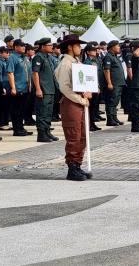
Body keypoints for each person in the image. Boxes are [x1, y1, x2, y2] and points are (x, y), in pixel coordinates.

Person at [53, 34, 92, 181]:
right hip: (71, 103)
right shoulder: (65, 64)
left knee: (82, 135)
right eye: (78, 45)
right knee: (74, 135)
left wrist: (88, 91)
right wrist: (81, 100)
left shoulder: (76, 62)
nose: (80, 48)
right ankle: (72, 168)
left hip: (80, 101)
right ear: (70, 47)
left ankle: (78, 165)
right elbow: (65, 88)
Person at [32, 38, 59, 142]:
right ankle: (41, 134)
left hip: (50, 89)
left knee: (48, 112)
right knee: (42, 112)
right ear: (43, 47)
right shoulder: (38, 57)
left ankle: (47, 132)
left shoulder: (48, 57)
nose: (51, 47)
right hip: (43, 89)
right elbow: (35, 73)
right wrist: (38, 89)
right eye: (49, 45)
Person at [6, 39, 33, 137]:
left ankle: (21, 127)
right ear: (16, 47)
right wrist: (13, 87)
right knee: (16, 109)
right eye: (21, 46)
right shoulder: (12, 58)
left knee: (22, 109)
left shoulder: (25, 58)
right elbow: (10, 73)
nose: (23, 48)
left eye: (24, 46)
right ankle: (16, 129)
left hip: (26, 88)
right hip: (18, 88)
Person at [103, 40, 126, 126]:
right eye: (117, 46)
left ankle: (114, 117)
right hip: (113, 83)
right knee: (111, 101)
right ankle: (110, 119)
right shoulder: (108, 57)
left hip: (118, 83)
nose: (119, 48)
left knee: (115, 101)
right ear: (112, 47)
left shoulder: (115, 57)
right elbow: (107, 70)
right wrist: (109, 83)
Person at [83, 44, 102, 131]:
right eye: (93, 50)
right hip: (90, 87)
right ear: (88, 52)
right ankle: (89, 124)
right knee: (90, 107)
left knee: (94, 106)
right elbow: (89, 77)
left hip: (94, 86)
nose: (95, 51)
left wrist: (97, 86)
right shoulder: (87, 62)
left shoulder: (94, 61)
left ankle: (92, 123)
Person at [0, 46, 12, 130]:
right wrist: (2, 87)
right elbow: (0, 76)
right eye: (6, 52)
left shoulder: (6, 62)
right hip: (4, 86)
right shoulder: (0, 62)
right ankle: (2, 123)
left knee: (7, 106)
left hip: (8, 86)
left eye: (9, 52)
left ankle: (6, 122)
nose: (8, 54)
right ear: (0, 53)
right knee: (2, 106)